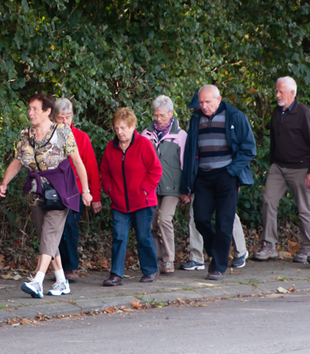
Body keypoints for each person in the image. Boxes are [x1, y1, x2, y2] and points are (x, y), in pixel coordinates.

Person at [0, 93, 93, 298]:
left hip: (61, 190)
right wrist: (4, 183)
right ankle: (61, 281)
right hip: (36, 191)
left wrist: (85, 190)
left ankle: (37, 281)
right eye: (29, 108)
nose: (30, 113)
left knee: (49, 233)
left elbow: (78, 162)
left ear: (47, 111)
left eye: (35, 109)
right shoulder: (26, 134)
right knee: (46, 237)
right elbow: (17, 161)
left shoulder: (62, 132)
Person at [180, 85, 256, 280]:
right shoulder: (196, 118)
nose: (204, 106)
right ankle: (218, 251)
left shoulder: (235, 116)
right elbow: (190, 153)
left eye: (208, 102)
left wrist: (231, 171)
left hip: (226, 176)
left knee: (224, 222)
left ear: (219, 99)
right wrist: (186, 185)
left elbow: (249, 149)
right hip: (203, 177)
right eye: (201, 102)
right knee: (200, 218)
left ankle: (218, 267)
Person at [101, 107, 162, 286]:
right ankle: (116, 274)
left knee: (144, 236)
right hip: (119, 202)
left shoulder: (143, 144)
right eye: (116, 128)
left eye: (123, 128)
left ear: (133, 126)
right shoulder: (111, 147)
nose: (119, 132)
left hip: (142, 201)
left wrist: (144, 189)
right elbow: (104, 172)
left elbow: (156, 170)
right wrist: (110, 190)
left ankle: (150, 270)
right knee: (119, 237)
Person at [252, 77, 310, 263]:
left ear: (292, 93)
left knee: (304, 209)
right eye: (276, 91)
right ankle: (269, 246)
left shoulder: (304, 113)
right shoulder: (277, 113)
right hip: (278, 166)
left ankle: (307, 249)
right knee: (268, 201)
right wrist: (272, 163)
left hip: (301, 167)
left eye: (281, 92)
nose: (277, 95)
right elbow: (275, 141)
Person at [53, 98, 102, 282]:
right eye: (61, 118)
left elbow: (91, 168)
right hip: (55, 190)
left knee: (70, 227)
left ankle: (71, 266)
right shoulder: (48, 136)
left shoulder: (81, 137)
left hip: (76, 191)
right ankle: (59, 267)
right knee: (55, 229)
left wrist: (93, 195)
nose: (65, 121)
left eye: (68, 117)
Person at [141, 95, 187, 274]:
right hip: (152, 186)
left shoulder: (180, 135)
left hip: (173, 187)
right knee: (152, 223)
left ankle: (169, 260)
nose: (158, 119)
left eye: (162, 115)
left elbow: (185, 163)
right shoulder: (146, 134)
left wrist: (186, 189)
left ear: (171, 113)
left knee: (164, 219)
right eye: (155, 115)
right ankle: (157, 260)